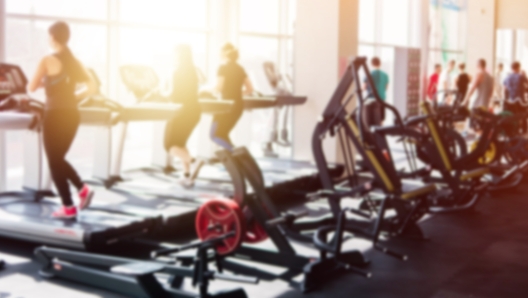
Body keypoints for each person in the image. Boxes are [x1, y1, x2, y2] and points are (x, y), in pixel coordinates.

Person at [28, 21, 96, 218]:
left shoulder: (47, 60)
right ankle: (79, 193)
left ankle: (70, 205)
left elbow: (30, 87)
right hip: (72, 114)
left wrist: (44, 84)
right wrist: (72, 97)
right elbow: (92, 88)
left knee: (54, 161)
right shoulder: (75, 62)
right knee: (58, 159)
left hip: (55, 115)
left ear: (52, 37)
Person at [164, 45, 202, 188]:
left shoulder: (176, 71)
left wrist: (161, 94)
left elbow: (173, 93)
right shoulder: (193, 71)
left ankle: (194, 161)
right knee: (181, 144)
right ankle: (187, 176)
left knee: (169, 147)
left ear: (178, 55)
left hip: (181, 112)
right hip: (194, 111)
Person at [210, 43, 253, 151]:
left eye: (220, 51)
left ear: (225, 53)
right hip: (238, 106)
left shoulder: (222, 67)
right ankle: (235, 160)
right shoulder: (240, 68)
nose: (219, 54)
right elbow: (250, 89)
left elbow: (219, 88)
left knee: (215, 135)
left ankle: (235, 153)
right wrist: (236, 93)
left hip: (226, 107)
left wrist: (206, 91)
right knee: (223, 134)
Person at [363, 57, 389, 125]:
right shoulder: (385, 75)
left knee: (370, 122)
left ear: (371, 64)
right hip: (382, 99)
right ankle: (381, 134)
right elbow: (386, 88)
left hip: (372, 100)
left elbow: (364, 87)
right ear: (380, 63)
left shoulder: (368, 74)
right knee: (381, 120)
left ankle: (372, 135)